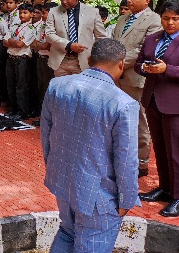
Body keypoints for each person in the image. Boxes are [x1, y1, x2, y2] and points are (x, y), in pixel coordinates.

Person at [41, 38, 140, 252]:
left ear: (88, 59)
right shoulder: (123, 104)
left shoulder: (57, 86)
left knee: (67, 232)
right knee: (92, 242)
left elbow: (47, 134)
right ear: (121, 65)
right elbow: (126, 159)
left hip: (63, 182)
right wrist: (127, 200)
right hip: (99, 195)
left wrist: (54, 170)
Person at [112, 0, 162, 178]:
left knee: (139, 121)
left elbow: (144, 50)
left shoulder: (154, 20)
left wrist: (116, 62)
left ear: (146, 0)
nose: (129, 1)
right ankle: (123, 157)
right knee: (120, 120)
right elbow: (114, 41)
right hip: (117, 77)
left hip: (136, 78)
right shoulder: (123, 18)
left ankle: (142, 162)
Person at [136, 0, 179, 217]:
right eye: (166, 18)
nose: (170, 22)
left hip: (175, 104)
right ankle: (165, 188)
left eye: (175, 18)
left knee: (176, 152)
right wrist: (144, 67)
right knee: (160, 149)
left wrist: (167, 69)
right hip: (152, 100)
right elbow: (138, 62)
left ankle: (178, 197)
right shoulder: (153, 38)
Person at [45, 0, 106, 77]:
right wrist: (69, 45)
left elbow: (101, 37)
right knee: (61, 90)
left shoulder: (92, 12)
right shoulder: (53, 12)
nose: (64, 2)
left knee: (81, 90)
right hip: (60, 61)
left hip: (84, 61)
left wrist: (95, 56)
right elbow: (49, 34)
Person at [3, 3, 36, 120]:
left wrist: (12, 41)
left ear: (31, 14)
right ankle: (14, 108)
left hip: (22, 59)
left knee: (21, 86)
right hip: (11, 57)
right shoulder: (14, 27)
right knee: (11, 84)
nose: (22, 15)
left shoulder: (31, 29)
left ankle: (23, 111)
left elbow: (20, 44)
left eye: (25, 12)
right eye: (20, 12)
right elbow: (4, 42)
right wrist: (14, 41)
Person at [31, 2, 57, 126]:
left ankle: (49, 118)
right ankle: (43, 116)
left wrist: (40, 45)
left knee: (48, 88)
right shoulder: (42, 26)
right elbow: (34, 43)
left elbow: (48, 45)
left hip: (49, 60)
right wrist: (40, 45)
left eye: (45, 12)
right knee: (41, 87)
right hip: (40, 57)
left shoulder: (55, 28)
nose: (42, 15)